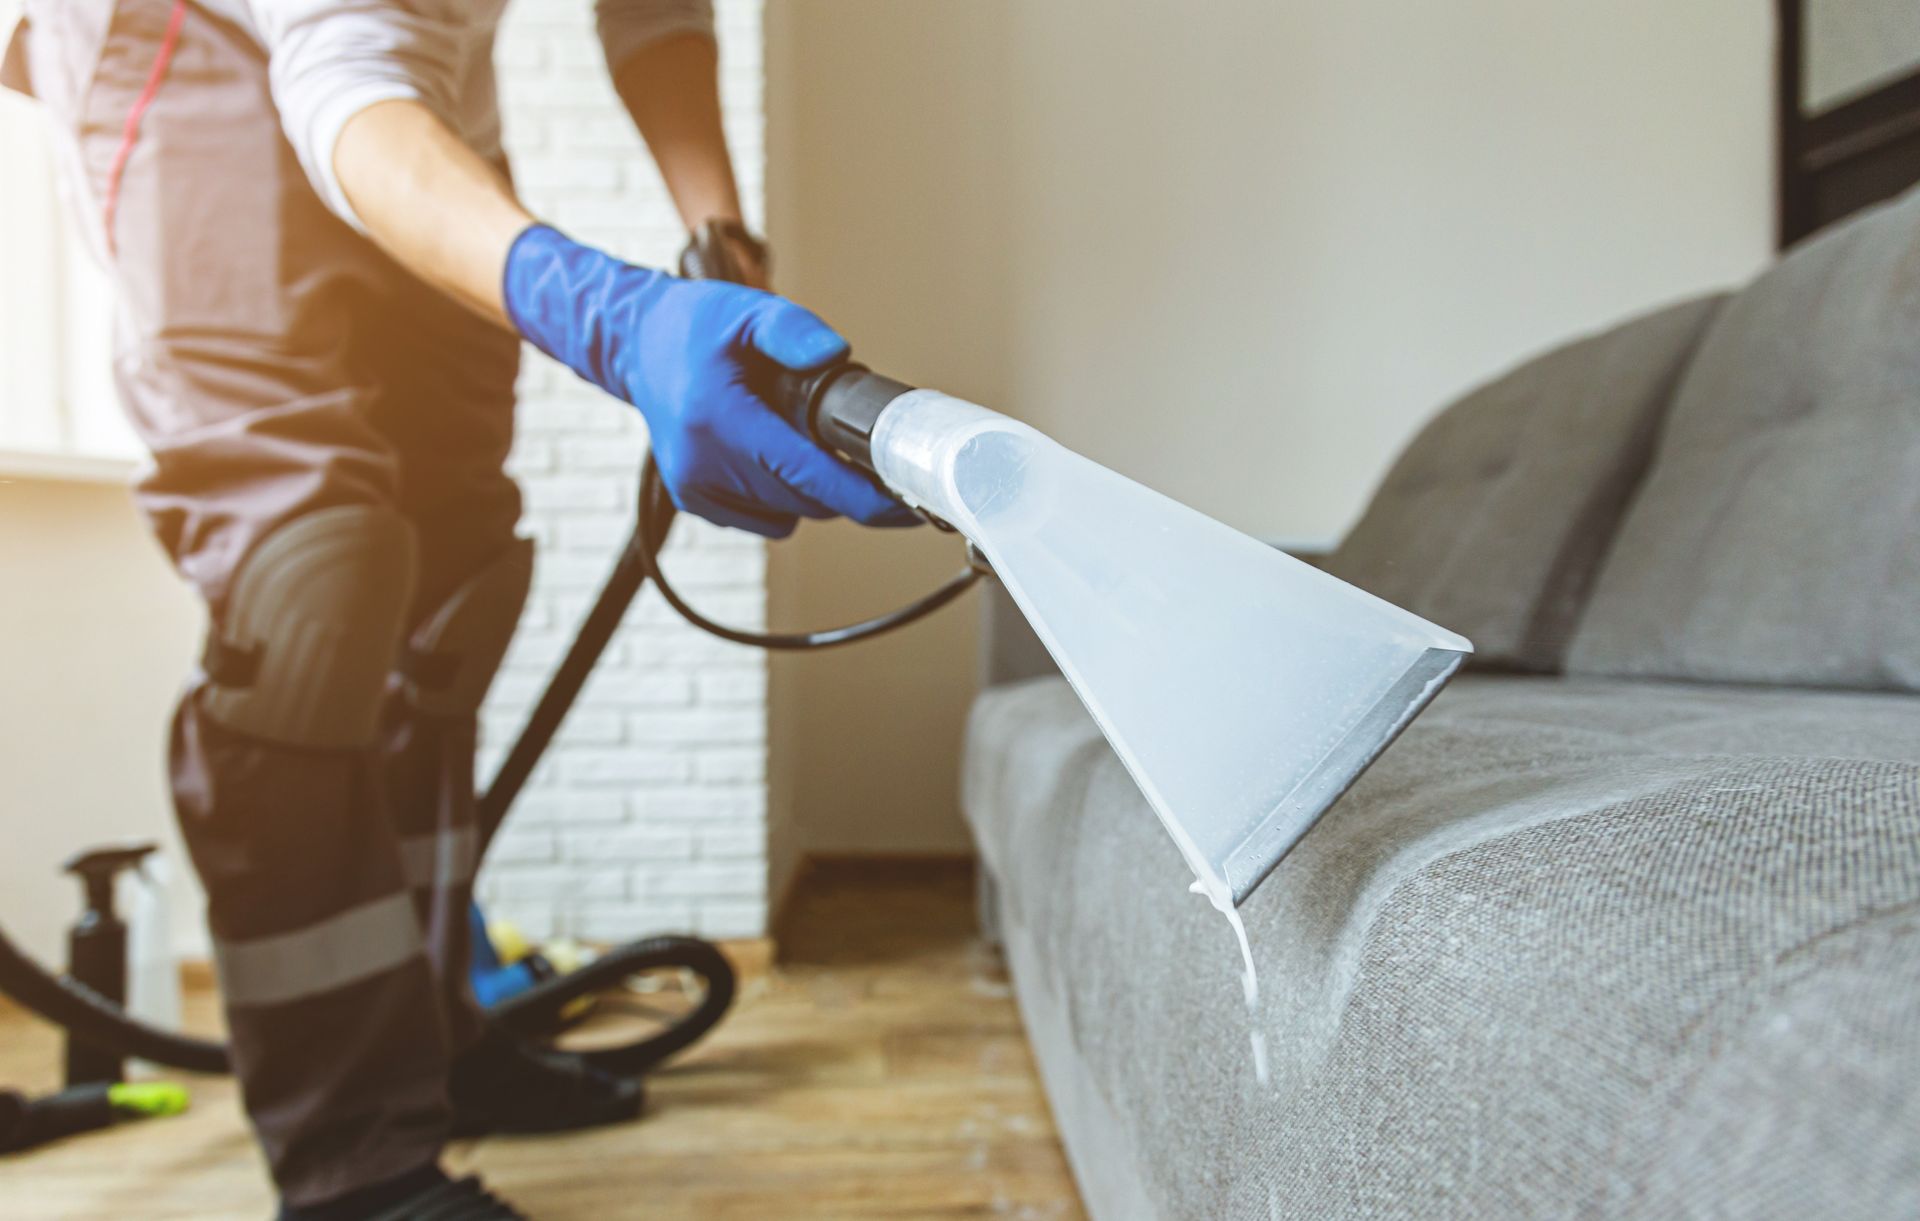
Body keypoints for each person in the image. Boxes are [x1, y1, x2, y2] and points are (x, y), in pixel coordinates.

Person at [3, 2, 909, 1217]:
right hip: (185, 46)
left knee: (451, 580)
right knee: (308, 585)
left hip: (404, 86)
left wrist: (717, 231)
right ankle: (358, 1162)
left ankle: (436, 1036)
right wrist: (613, 317)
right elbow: (342, 86)